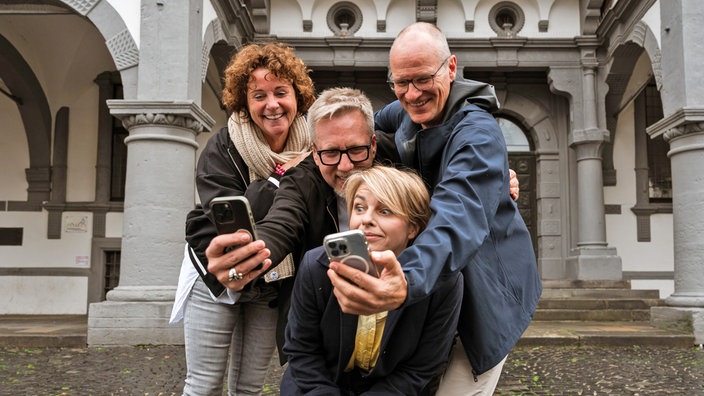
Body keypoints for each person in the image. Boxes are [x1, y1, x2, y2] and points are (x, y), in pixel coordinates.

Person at [325, 22, 542, 396]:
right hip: (433, 293)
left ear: (451, 68)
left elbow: (456, 219)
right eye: (400, 82)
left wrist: (405, 279)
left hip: (483, 297)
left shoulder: (479, 135)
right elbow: (361, 133)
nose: (412, 94)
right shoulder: (403, 111)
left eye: (423, 78)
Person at [169, 42, 315, 395]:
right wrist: (283, 177)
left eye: (281, 92)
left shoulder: (313, 147)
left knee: (249, 387)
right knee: (203, 384)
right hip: (216, 274)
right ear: (245, 103)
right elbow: (230, 215)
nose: (272, 104)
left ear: (297, 96)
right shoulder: (224, 145)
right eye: (259, 95)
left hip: (270, 277)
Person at [281, 165, 462, 395]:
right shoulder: (316, 267)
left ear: (413, 228)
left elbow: (420, 368)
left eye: (384, 211)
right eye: (359, 207)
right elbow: (302, 351)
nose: (366, 219)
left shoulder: (443, 283)